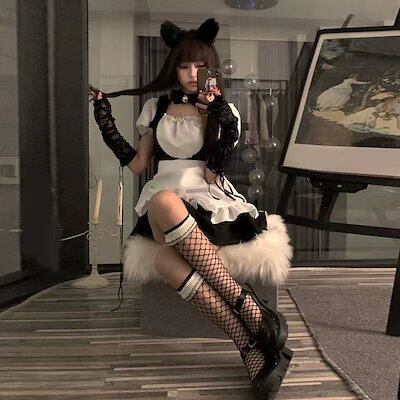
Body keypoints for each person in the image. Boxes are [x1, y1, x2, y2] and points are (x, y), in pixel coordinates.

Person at [89, 18, 292, 400]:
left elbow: (215, 170)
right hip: (163, 197)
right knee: (163, 199)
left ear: (211, 68)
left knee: (166, 262)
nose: (192, 73)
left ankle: (249, 346)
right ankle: (249, 309)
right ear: (174, 68)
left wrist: (221, 119)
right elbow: (138, 164)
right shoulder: (156, 107)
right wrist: (105, 123)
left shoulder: (221, 110)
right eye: (184, 65)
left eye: (200, 66)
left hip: (206, 193)